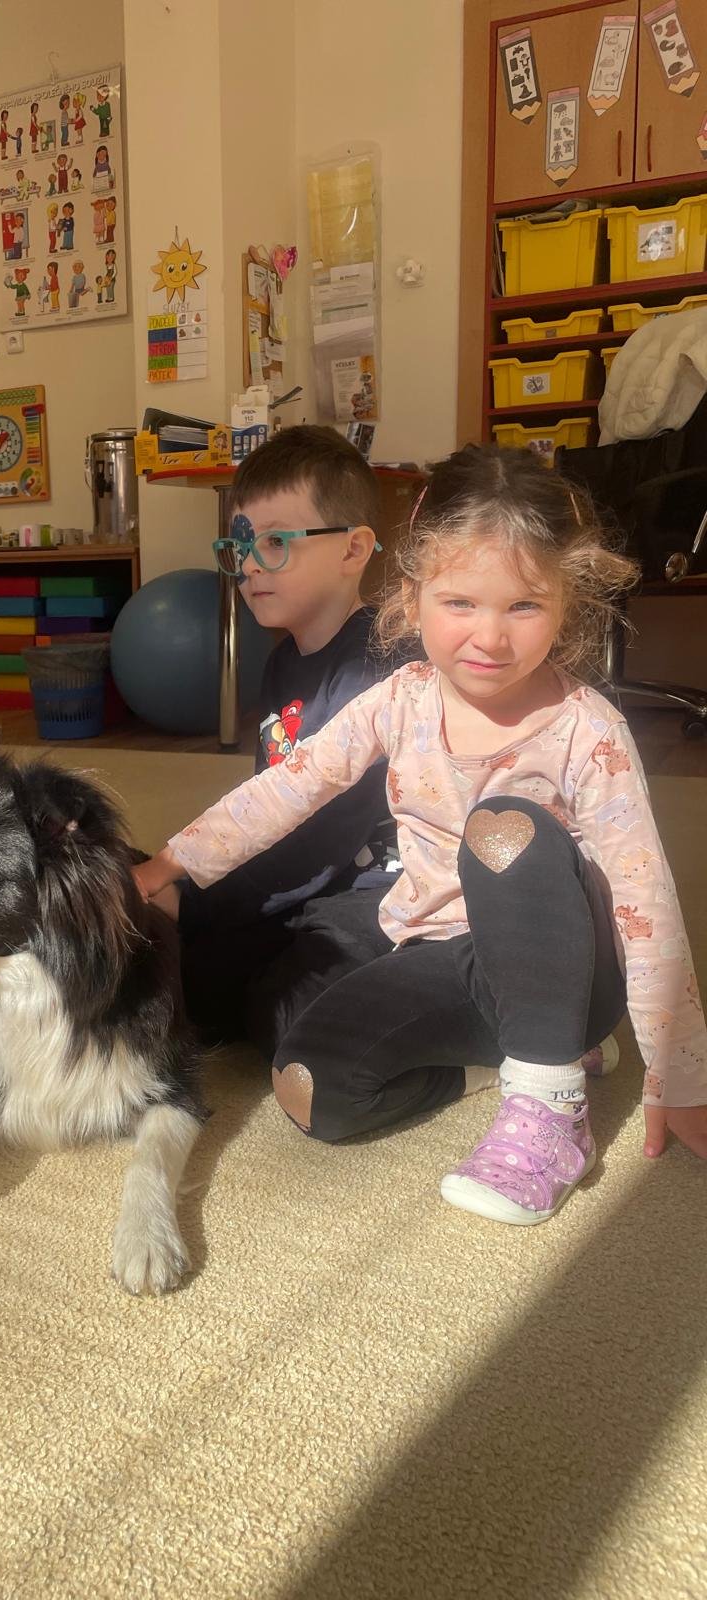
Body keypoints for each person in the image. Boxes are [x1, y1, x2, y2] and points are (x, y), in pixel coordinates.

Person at [136, 444, 707, 1226]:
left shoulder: (588, 729)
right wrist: (173, 862)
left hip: (565, 971)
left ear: (567, 604)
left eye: (524, 607)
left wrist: (680, 1074)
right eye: (460, 602)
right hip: (439, 956)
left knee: (502, 828)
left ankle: (549, 1107)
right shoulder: (398, 698)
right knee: (307, 1087)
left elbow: (646, 900)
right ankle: (500, 1062)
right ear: (412, 598)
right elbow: (289, 787)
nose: (489, 638)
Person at [173, 425, 402, 1051]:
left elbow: (321, 839)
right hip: (312, 881)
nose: (249, 566)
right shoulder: (281, 664)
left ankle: (481, 1033)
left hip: (380, 887)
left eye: (275, 542)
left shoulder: (378, 666)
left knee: (291, 1019)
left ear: (353, 549)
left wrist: (194, 901)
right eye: (240, 545)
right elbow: (267, 810)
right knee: (187, 981)